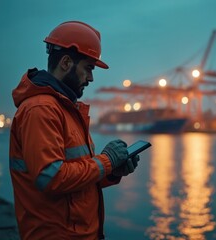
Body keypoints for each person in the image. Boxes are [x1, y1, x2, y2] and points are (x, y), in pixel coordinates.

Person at [9, 21, 139, 240]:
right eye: (88, 68)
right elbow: (51, 178)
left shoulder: (64, 109)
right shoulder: (41, 109)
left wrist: (112, 171)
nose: (91, 78)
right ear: (66, 62)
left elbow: (77, 178)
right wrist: (106, 161)